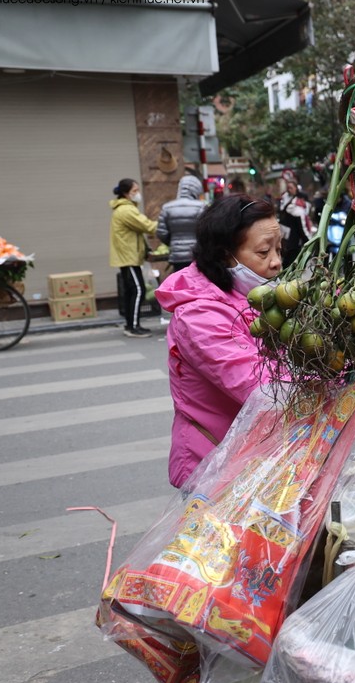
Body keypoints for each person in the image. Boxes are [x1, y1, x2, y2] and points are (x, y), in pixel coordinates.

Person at [154, 195, 281, 488]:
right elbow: (261, 388)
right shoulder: (199, 314)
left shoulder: (256, 298)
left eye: (279, 249)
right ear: (226, 255)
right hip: (213, 466)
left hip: (255, 457)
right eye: (264, 252)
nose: (276, 262)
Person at [109, 178, 158, 338]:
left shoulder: (126, 208)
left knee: (132, 291)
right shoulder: (126, 211)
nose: (138, 194)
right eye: (135, 191)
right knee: (138, 290)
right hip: (128, 257)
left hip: (129, 256)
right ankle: (133, 326)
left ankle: (130, 324)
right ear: (126, 193)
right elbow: (147, 226)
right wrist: (165, 222)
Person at [156, 174, 206, 273]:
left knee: (180, 282)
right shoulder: (201, 206)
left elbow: (161, 232)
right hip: (197, 255)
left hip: (176, 256)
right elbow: (206, 231)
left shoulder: (167, 208)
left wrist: (173, 242)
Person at [277, 170, 315, 267]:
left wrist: (308, 240)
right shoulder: (284, 199)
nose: (289, 190)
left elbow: (302, 225)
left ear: (296, 189)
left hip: (294, 239)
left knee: (292, 263)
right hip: (285, 238)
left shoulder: (298, 204)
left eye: (291, 188)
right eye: (288, 187)